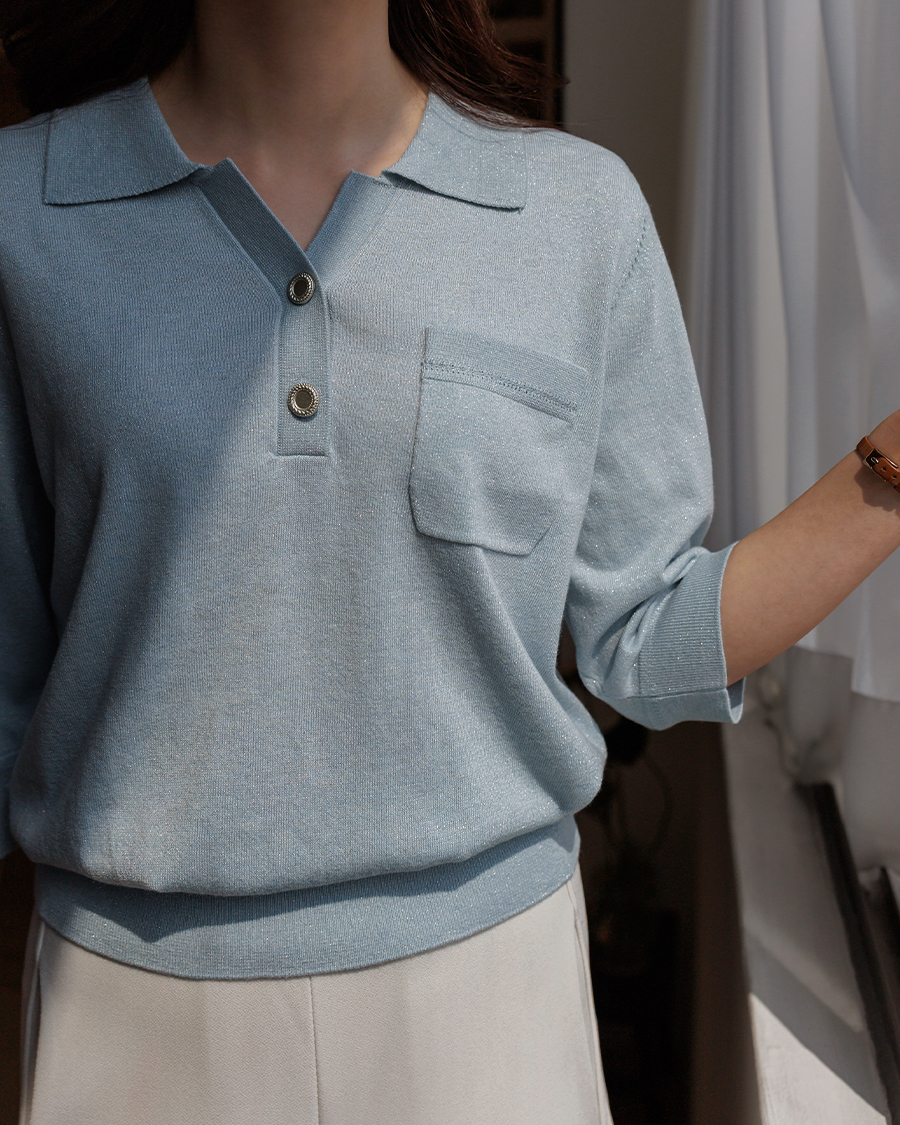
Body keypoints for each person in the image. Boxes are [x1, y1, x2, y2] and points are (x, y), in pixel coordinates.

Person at [2, 1, 899, 1122]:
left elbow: (646, 635)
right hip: (127, 1017)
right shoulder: (23, 209)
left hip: (491, 1007)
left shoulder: (576, 215)